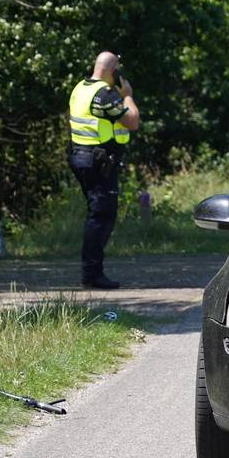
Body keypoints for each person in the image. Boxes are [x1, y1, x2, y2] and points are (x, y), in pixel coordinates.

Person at [67, 51, 141, 289]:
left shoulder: (81, 88)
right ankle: (92, 274)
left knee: (97, 213)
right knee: (101, 216)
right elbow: (132, 121)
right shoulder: (105, 94)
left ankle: (91, 271)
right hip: (97, 161)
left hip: (81, 156)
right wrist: (127, 96)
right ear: (113, 71)